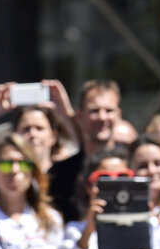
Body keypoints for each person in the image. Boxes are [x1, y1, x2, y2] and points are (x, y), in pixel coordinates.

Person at [52, 80, 123, 222]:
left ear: (118, 115)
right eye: (94, 111)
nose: (102, 117)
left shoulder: (135, 164)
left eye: (109, 110)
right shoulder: (59, 174)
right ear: (79, 116)